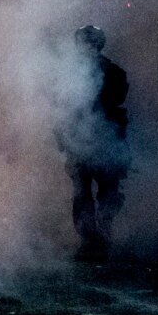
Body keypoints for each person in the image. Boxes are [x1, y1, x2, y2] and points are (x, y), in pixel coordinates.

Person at [55, 25, 130, 261]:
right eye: (84, 43)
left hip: (105, 141)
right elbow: (62, 107)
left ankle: (100, 238)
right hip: (82, 142)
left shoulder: (113, 72)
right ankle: (91, 241)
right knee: (84, 193)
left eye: (89, 43)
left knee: (101, 193)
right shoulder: (72, 73)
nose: (86, 47)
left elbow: (116, 101)